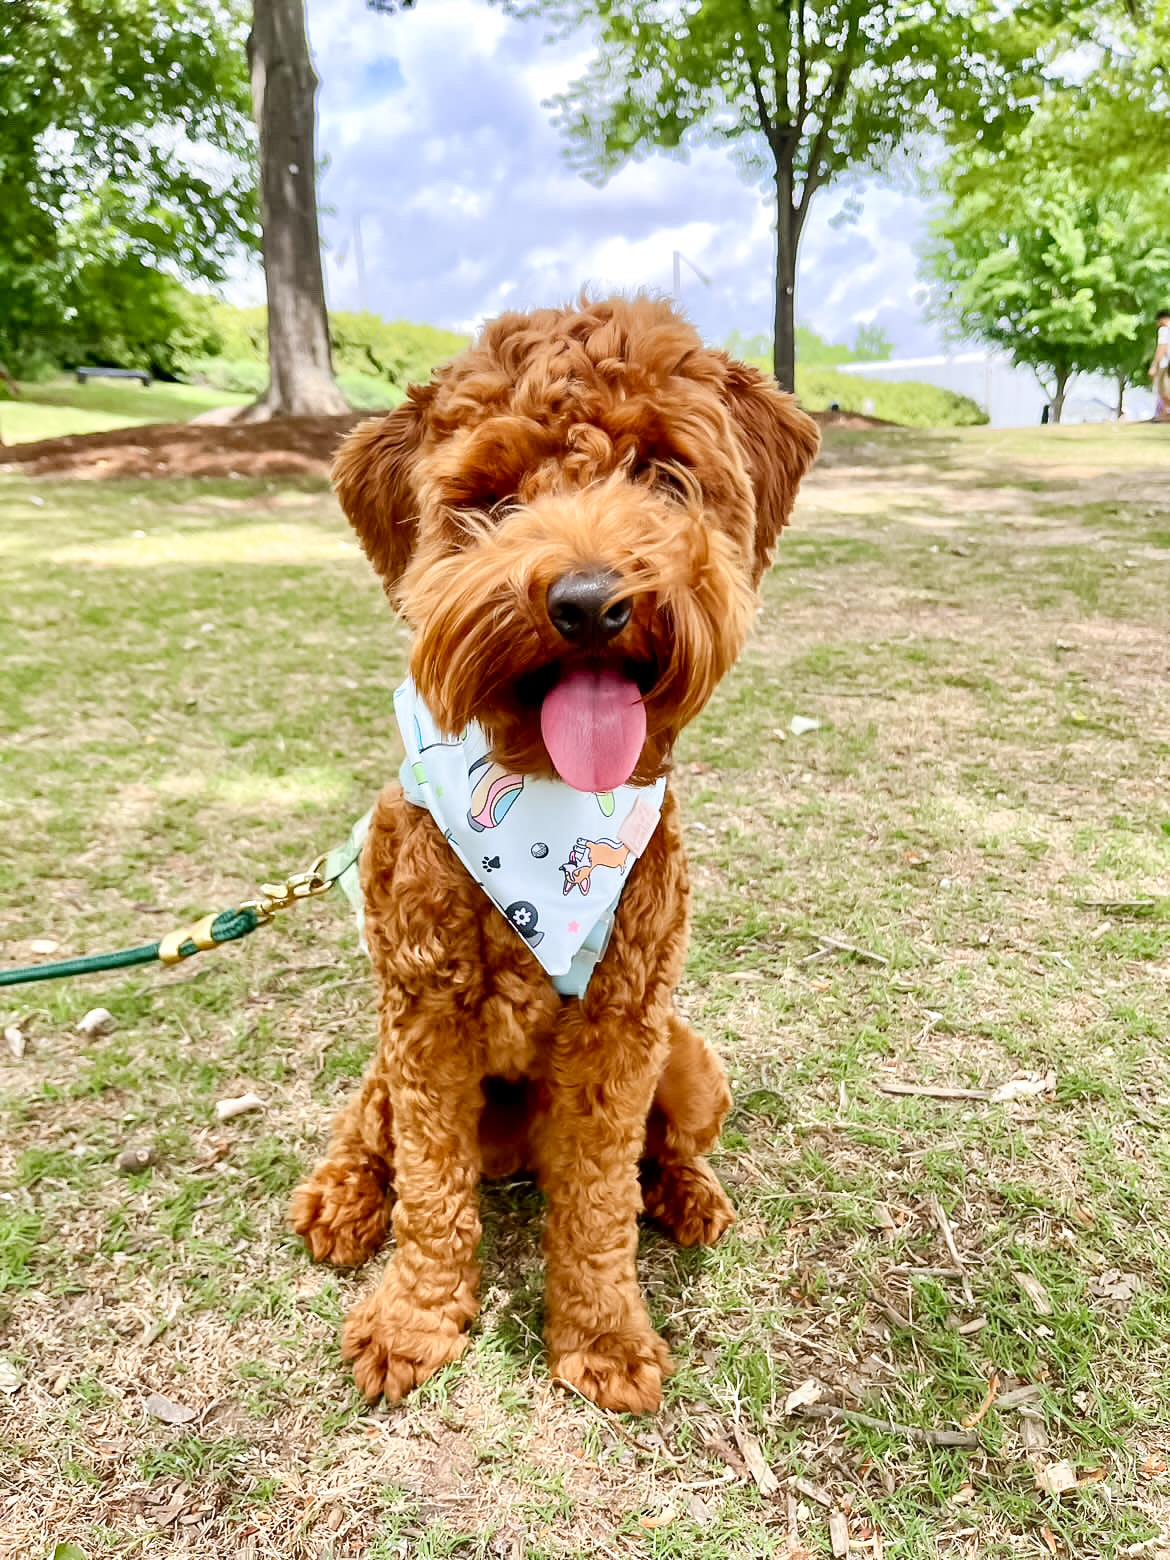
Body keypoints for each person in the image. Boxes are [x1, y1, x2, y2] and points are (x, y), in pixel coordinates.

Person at [1149, 309, 1170, 420]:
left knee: (1163, 390)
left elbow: (1162, 347)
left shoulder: (1164, 329)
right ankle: (1164, 414)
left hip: (1166, 364)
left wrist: (1154, 365)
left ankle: (1164, 415)